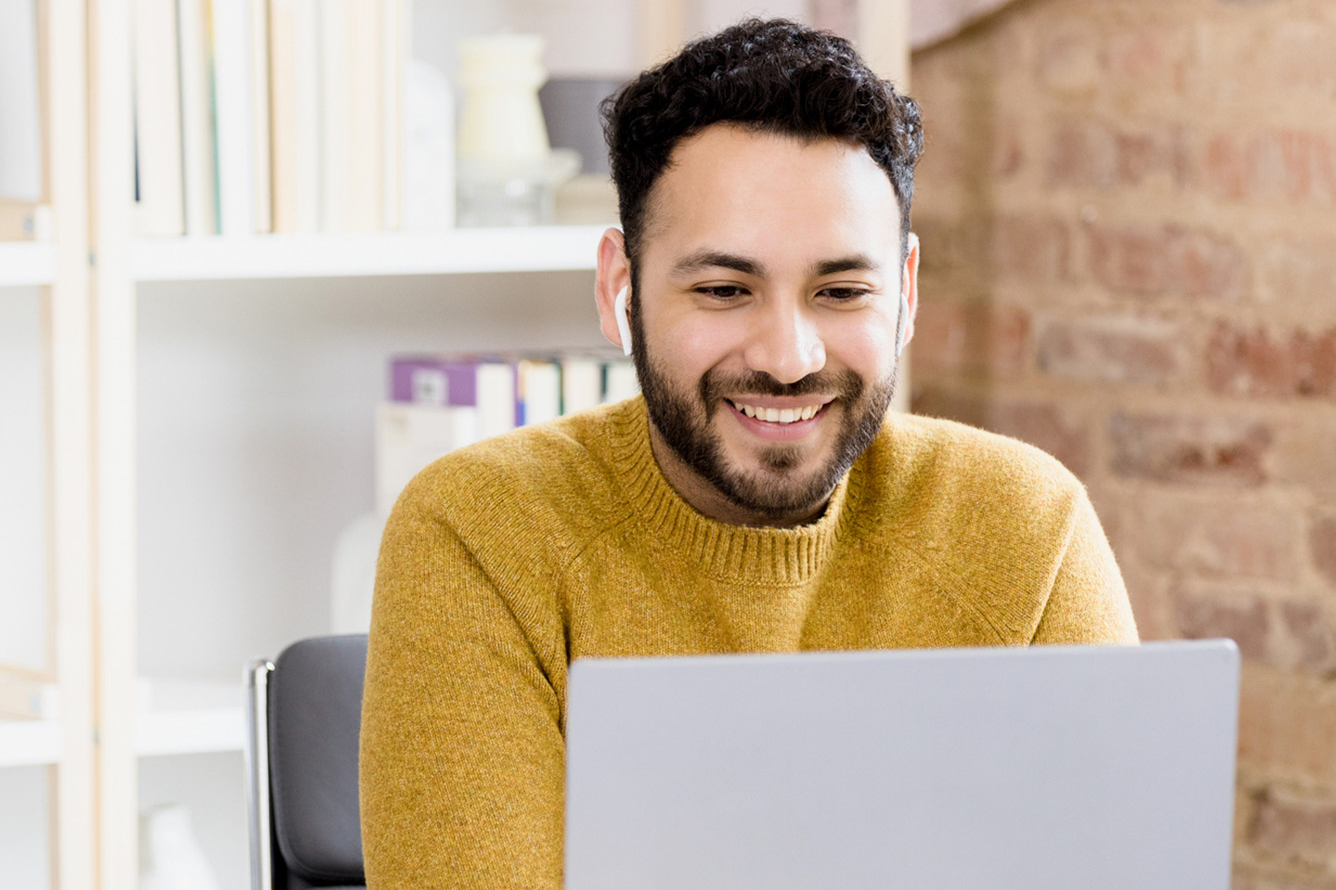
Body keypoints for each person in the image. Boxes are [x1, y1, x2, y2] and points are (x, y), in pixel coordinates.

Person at [359, 17, 1137, 888]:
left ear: (907, 294)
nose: (788, 356)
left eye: (841, 290)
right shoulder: (481, 532)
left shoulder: (1027, 527)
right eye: (725, 290)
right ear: (623, 289)